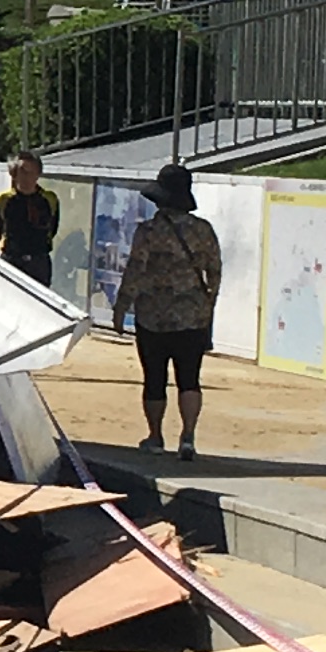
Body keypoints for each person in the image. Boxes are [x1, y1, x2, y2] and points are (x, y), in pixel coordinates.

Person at [112, 162, 224, 459]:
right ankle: (188, 437)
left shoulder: (148, 231)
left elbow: (135, 271)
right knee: (190, 379)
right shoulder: (203, 230)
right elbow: (214, 270)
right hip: (192, 315)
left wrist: (121, 306)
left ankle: (156, 436)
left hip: (153, 316)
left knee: (154, 378)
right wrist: (208, 303)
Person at [0, 152, 61, 285]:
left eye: (32, 172)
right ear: (14, 173)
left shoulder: (49, 199)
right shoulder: (4, 200)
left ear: (38, 174)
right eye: (23, 171)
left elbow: (53, 228)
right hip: (12, 259)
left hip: (38, 262)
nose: (27, 177)